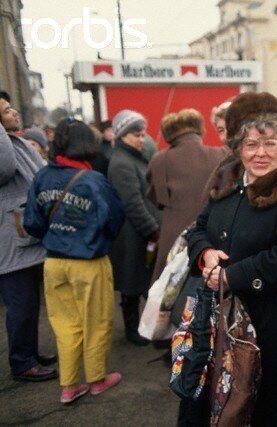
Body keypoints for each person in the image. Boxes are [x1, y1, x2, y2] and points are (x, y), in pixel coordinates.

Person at [181, 92, 277, 426]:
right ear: (238, 147)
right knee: (212, 399)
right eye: (251, 144)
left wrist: (231, 276)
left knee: (262, 408)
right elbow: (198, 228)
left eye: (270, 143)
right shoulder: (227, 180)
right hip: (220, 320)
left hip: (271, 328)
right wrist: (205, 254)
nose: (261, 153)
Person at [23, 119, 125, 404]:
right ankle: (96, 378)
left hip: (54, 262)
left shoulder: (42, 177)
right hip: (89, 262)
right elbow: (115, 218)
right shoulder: (94, 181)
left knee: (64, 324)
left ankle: (68, 385)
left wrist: (56, 235)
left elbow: (32, 222)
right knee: (97, 321)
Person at [0, 91, 57, 382]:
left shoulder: (14, 139)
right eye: (7, 111)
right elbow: (5, 168)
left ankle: (29, 353)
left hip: (23, 235)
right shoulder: (4, 145)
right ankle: (22, 362)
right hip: (11, 240)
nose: (14, 113)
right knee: (21, 304)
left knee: (30, 302)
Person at [146, 108, 227, 285]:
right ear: (200, 131)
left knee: (167, 292)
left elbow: (157, 199)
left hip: (173, 235)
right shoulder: (220, 155)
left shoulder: (159, 160)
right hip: (210, 237)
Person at [108, 110, 161, 346]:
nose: (142, 139)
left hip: (139, 233)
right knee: (132, 285)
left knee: (140, 282)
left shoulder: (130, 158)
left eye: (143, 134)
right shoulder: (121, 162)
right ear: (122, 135)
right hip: (132, 235)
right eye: (136, 135)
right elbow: (132, 203)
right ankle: (132, 329)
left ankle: (143, 327)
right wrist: (153, 229)